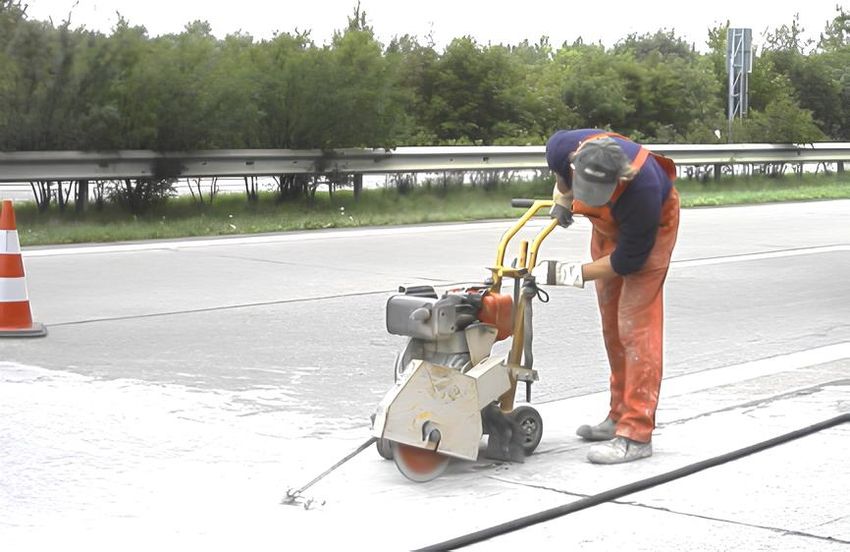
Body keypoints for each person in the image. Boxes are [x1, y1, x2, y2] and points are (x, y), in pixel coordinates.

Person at [533, 129, 680, 464]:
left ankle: (636, 434)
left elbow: (627, 261)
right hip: (607, 229)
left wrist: (568, 274)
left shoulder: (643, 190)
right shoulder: (561, 148)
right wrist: (562, 200)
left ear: (620, 179)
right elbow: (561, 180)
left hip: (650, 233)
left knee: (636, 327)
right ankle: (618, 416)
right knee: (612, 325)